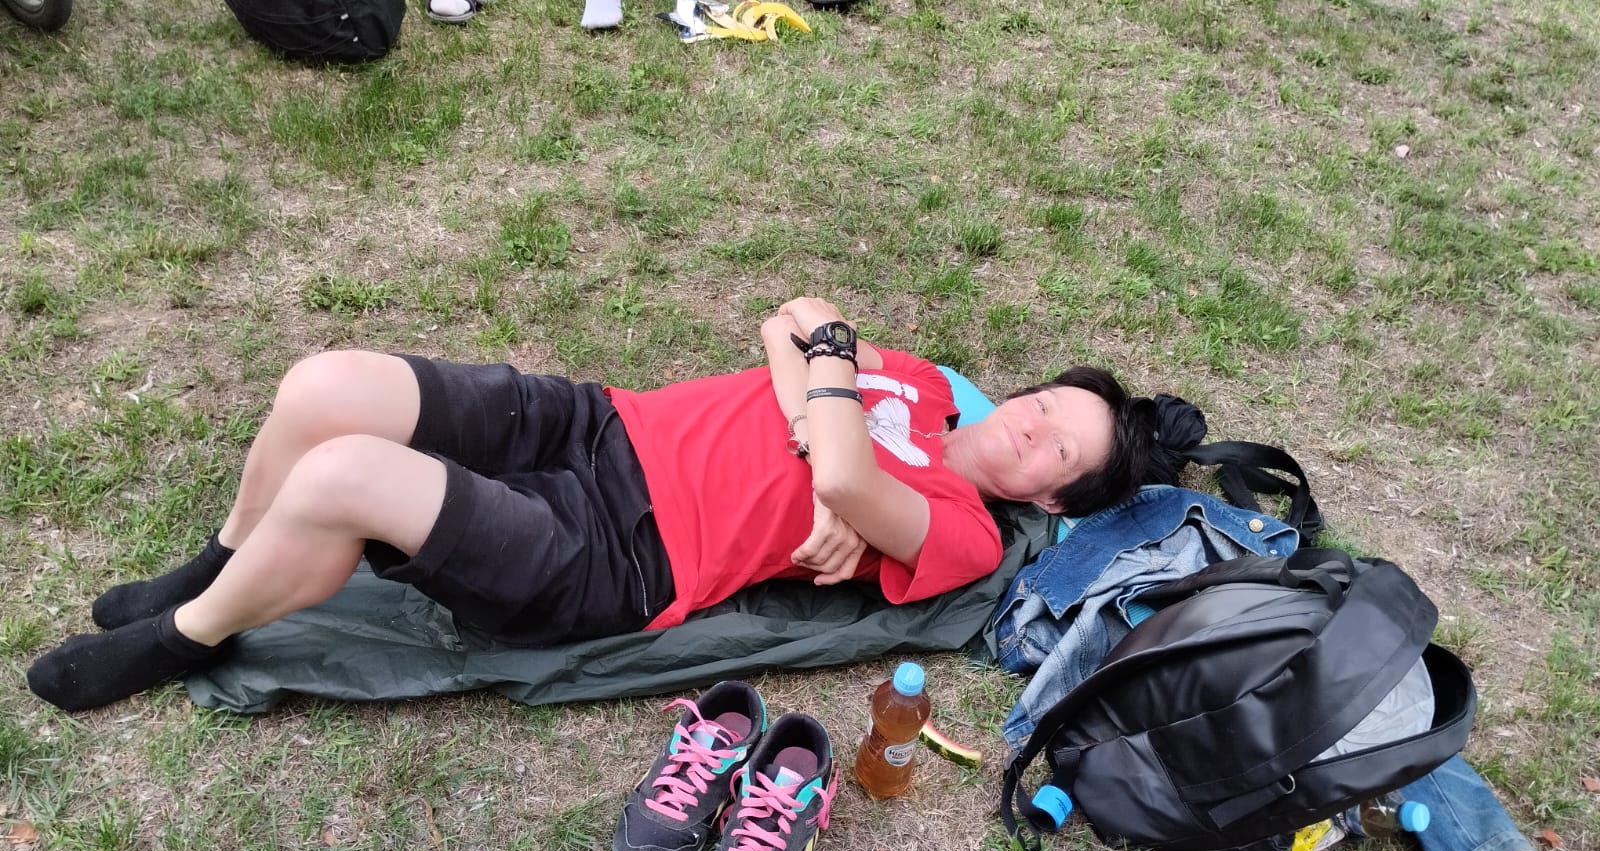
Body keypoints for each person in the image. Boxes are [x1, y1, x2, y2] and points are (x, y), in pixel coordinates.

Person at [26, 297, 1153, 712]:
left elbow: (853, 476)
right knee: (325, 386)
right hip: (600, 424)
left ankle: (184, 635)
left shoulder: (965, 534)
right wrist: (822, 416)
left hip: (618, 554)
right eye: (1049, 402)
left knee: (342, 476)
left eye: (1059, 447)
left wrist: (829, 412)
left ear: (1053, 493)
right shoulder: (908, 383)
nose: (1033, 423)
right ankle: (219, 557)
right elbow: (792, 317)